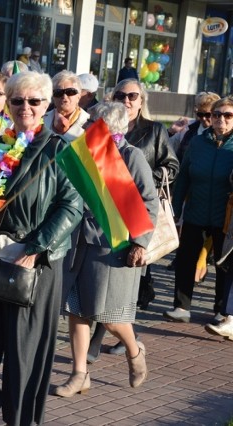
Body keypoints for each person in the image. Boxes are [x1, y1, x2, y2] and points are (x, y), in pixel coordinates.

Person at [0, 71, 82, 426]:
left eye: (34, 101)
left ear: (47, 104)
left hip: (34, 264)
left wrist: (36, 247)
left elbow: (72, 207)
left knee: (23, 353)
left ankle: (20, 421)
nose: (25, 107)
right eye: (17, 100)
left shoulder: (61, 149)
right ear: (7, 104)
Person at [54, 101, 158, 398]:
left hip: (113, 248)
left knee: (110, 317)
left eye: (92, 123)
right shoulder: (82, 153)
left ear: (107, 127)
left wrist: (140, 242)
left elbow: (149, 202)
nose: (86, 126)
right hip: (79, 245)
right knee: (77, 311)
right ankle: (79, 374)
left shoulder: (130, 155)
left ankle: (134, 351)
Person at [87, 78, 180, 360]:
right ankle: (95, 347)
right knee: (100, 291)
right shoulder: (99, 129)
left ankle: (121, 340)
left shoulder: (153, 130)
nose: (126, 100)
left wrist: (136, 181)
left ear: (141, 101)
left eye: (133, 95)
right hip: (102, 221)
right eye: (120, 94)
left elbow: (171, 166)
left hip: (136, 218)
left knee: (122, 291)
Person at [164, 96, 233, 325]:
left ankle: (221, 310)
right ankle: (181, 306)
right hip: (196, 210)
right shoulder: (198, 142)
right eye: (216, 115)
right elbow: (183, 177)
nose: (220, 120)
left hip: (225, 216)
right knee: (185, 258)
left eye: (227, 115)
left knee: (223, 264)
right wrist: (175, 209)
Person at [43, 70, 90, 143]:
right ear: (53, 96)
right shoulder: (41, 120)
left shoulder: (89, 123)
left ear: (79, 96)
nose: (64, 96)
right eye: (58, 92)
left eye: (70, 92)